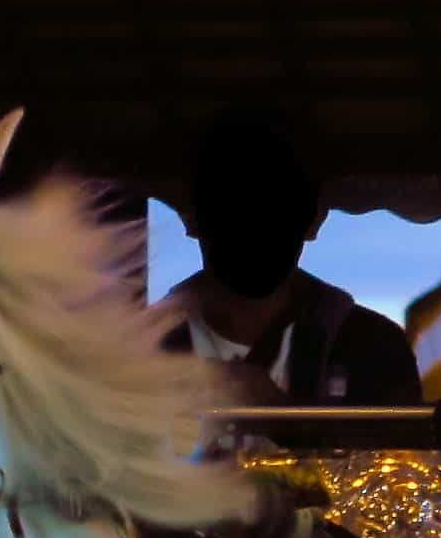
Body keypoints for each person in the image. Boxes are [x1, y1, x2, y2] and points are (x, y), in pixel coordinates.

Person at [164, 105, 425, 408]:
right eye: (232, 204)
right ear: (192, 216)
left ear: (314, 219)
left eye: (277, 206)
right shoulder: (136, 349)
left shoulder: (375, 347)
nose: (254, 223)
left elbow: (401, 451)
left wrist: (276, 413)